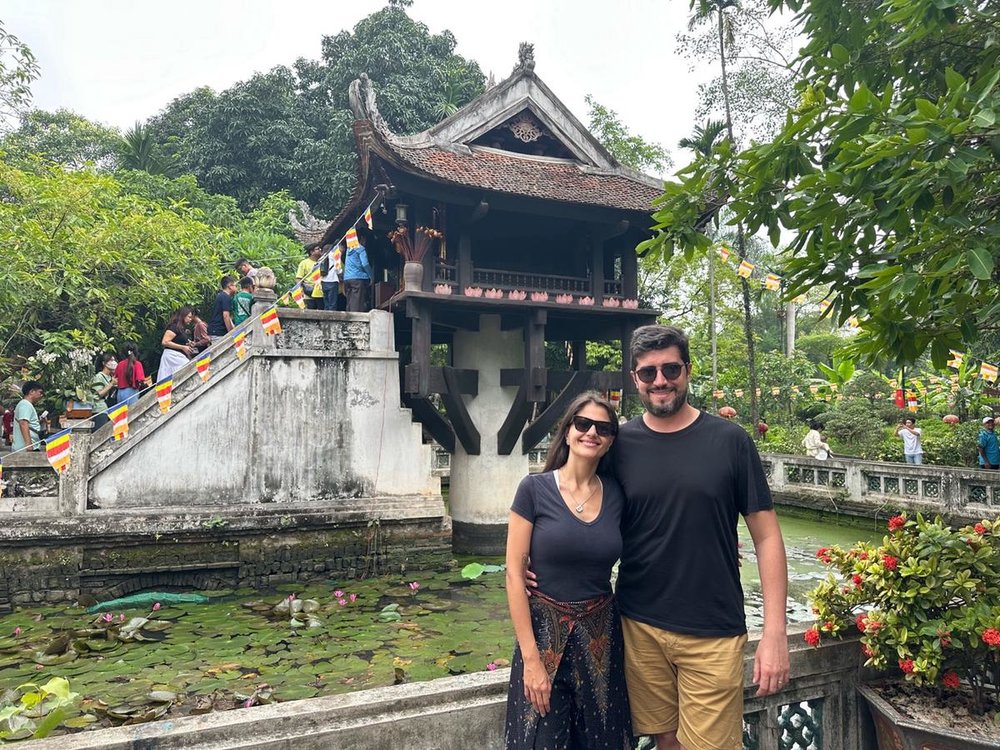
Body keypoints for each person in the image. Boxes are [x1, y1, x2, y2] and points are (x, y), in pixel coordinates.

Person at [613, 325, 788, 750]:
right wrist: (531, 563)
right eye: (648, 372)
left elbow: (766, 537)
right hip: (638, 624)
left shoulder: (730, 441)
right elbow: (576, 506)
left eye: (670, 368)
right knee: (665, 741)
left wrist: (775, 633)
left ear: (687, 371)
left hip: (712, 629)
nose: (660, 381)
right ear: (635, 379)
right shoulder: (618, 444)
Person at [504, 392, 632, 749]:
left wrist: (719, 539)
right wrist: (531, 660)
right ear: (568, 431)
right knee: (543, 738)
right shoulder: (534, 489)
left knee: (602, 740)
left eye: (603, 429)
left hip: (601, 636)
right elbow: (514, 574)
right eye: (583, 424)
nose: (592, 432)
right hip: (544, 637)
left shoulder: (618, 495)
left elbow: (655, 535)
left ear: (610, 441)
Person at [158, 306, 196, 382]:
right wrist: (182, 347)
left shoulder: (182, 328)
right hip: (172, 356)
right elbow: (165, 342)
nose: (190, 319)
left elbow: (178, 341)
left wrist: (188, 344)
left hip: (179, 356)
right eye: (189, 317)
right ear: (183, 316)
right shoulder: (174, 327)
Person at [12, 381, 47, 452]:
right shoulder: (25, 404)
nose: (41, 395)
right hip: (26, 448)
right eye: (40, 392)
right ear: (32, 391)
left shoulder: (26, 405)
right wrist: (29, 445)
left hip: (28, 446)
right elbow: (23, 423)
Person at [343, 231, 373, 312]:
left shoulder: (348, 249)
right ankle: (355, 319)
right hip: (358, 277)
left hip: (347, 278)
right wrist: (371, 276)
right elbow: (365, 264)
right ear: (362, 239)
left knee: (350, 298)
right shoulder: (360, 248)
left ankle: (348, 315)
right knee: (357, 299)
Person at [89, 353, 117, 430]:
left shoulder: (111, 377)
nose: (113, 362)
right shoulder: (99, 377)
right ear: (104, 363)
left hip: (109, 409)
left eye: (114, 360)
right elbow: (100, 393)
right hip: (99, 409)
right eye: (111, 360)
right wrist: (111, 384)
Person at [208, 276, 238, 341]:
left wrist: (233, 329)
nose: (236, 288)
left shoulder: (221, 296)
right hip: (219, 332)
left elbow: (228, 317)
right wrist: (230, 333)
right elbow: (226, 316)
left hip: (215, 330)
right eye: (235, 286)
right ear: (230, 286)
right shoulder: (226, 297)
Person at [295, 245, 325, 310]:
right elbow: (298, 278)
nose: (320, 250)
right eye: (318, 249)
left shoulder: (322, 262)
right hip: (309, 292)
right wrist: (300, 290)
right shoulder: (304, 263)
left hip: (320, 292)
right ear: (311, 252)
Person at [320, 244, 341, 312]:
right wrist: (341, 274)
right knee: (332, 302)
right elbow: (338, 269)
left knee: (326, 302)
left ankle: (325, 317)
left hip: (323, 281)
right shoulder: (334, 255)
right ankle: (332, 318)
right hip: (332, 280)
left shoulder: (322, 257)